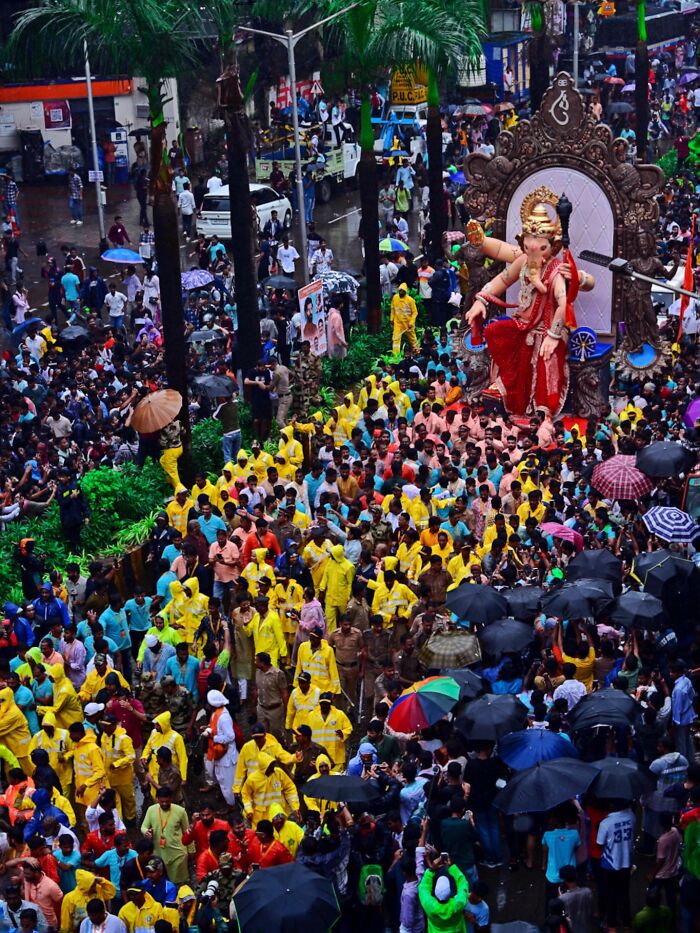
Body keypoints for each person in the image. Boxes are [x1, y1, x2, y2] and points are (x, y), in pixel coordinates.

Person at [140, 786, 190, 885]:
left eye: (167, 801)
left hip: (177, 854)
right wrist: (146, 832)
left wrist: (192, 851)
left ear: (171, 798)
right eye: (161, 801)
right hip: (158, 853)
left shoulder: (180, 811)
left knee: (178, 883)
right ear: (157, 799)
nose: (164, 804)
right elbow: (143, 827)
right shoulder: (151, 810)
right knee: (159, 882)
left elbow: (187, 832)